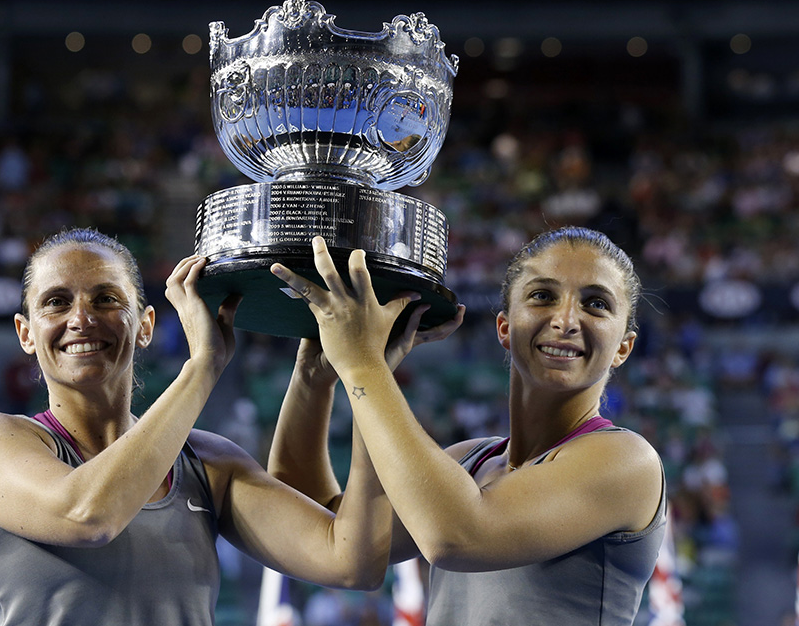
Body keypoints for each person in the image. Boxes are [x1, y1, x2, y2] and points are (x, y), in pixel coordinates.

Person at [0, 227, 394, 626]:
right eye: (56, 302)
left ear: (144, 326)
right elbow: (87, 516)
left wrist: (362, 372)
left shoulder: (209, 463)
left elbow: (351, 561)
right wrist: (202, 367)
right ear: (25, 333)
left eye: (106, 298)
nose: (81, 318)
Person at [268, 227, 666, 625]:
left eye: (595, 304)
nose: (566, 320)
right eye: (543, 296)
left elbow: (455, 536)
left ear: (623, 348)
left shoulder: (627, 461)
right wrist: (313, 375)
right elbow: (321, 530)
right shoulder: (468, 462)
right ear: (505, 328)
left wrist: (364, 364)